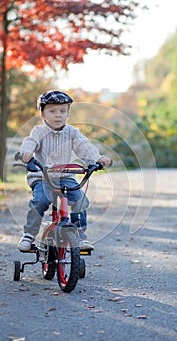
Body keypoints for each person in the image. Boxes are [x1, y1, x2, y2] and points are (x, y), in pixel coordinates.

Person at [18, 90, 112, 252]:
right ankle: (29, 235)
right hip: (43, 176)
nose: (58, 115)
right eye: (52, 111)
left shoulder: (72, 132)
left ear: (68, 113)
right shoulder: (39, 131)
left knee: (80, 201)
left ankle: (79, 236)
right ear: (42, 114)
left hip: (65, 176)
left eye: (63, 111)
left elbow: (85, 147)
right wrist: (26, 154)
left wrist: (97, 159)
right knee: (40, 201)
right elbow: (30, 142)